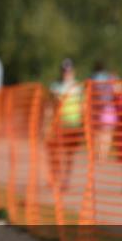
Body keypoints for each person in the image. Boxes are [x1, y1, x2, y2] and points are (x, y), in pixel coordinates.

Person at [48, 58, 83, 193]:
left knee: (70, 154)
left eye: (68, 71)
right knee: (58, 153)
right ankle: (57, 177)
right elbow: (50, 105)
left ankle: (66, 179)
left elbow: (82, 105)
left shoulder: (78, 87)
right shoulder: (55, 87)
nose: (66, 73)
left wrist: (83, 123)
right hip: (58, 124)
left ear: (72, 71)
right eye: (64, 71)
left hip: (74, 125)